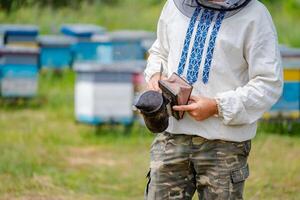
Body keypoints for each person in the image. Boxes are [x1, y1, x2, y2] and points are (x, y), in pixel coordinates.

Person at [144, 0, 283, 199]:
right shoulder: (174, 6)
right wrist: (155, 76)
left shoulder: (255, 15)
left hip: (224, 145)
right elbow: (160, 52)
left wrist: (217, 106)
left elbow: (269, 83)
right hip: (171, 138)